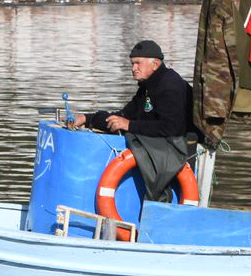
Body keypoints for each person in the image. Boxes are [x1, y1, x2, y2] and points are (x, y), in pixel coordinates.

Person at [72, 40, 194, 202]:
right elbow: (123, 116)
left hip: (183, 147)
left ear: (155, 64)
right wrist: (87, 119)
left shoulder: (170, 85)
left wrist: (129, 125)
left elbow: (172, 127)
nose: (133, 68)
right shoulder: (147, 86)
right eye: (132, 63)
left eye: (138, 63)